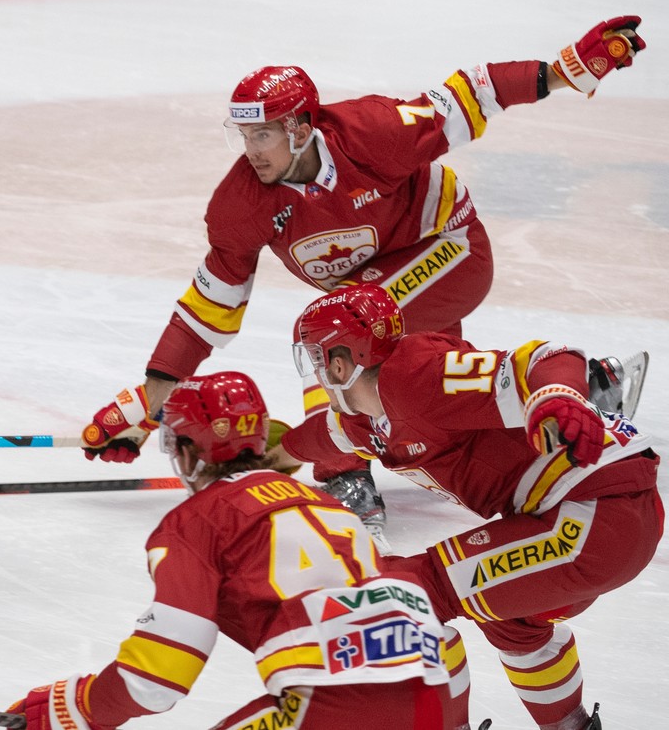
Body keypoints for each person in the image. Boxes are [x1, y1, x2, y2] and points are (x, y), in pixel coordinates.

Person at [80, 17, 649, 543]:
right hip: (377, 295)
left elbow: (467, 97)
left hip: (448, 250)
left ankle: (342, 475)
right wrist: (148, 403)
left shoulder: (370, 132)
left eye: (264, 136)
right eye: (243, 137)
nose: (251, 152)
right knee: (428, 411)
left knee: (336, 341)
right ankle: (591, 389)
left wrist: (564, 70)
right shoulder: (240, 205)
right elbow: (211, 303)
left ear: (301, 127)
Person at [276, 284, 661, 730]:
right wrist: (261, 454)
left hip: (596, 514)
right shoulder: (369, 418)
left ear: (339, 363)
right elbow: (322, 438)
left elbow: (549, 357)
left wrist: (561, 396)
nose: (317, 373)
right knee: (512, 620)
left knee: (406, 595)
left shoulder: (415, 377)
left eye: (316, 359)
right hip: (606, 516)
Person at [12, 371, 474, 730]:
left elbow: (158, 675)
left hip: (342, 699)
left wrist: (76, 706)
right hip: (440, 689)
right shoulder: (322, 501)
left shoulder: (199, 522)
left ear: (190, 453)